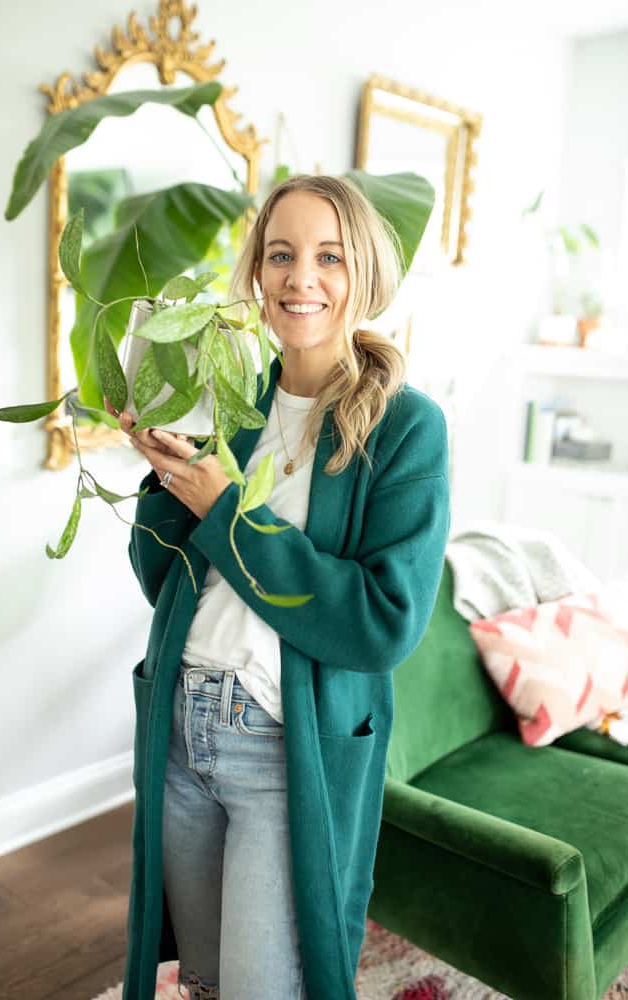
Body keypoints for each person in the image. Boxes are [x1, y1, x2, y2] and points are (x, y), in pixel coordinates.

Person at [107, 174, 451, 1000]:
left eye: (328, 256)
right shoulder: (232, 402)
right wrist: (161, 478)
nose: (302, 278)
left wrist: (224, 506)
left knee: (271, 985)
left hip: (281, 749)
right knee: (206, 978)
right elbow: (165, 581)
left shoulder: (405, 426)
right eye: (280, 255)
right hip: (182, 732)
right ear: (256, 275)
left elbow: (380, 622)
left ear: (362, 274)